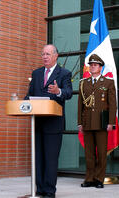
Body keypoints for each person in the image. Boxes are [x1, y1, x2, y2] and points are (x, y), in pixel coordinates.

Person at [24, 44, 73, 198]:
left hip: (53, 124)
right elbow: (29, 95)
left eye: (48, 54)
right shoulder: (36, 73)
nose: (44, 57)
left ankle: (50, 192)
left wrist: (58, 91)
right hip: (37, 123)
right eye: (43, 54)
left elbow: (69, 92)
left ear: (55, 56)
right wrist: (23, 103)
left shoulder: (64, 73)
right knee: (38, 159)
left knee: (50, 160)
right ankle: (39, 190)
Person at [78, 54, 116, 189]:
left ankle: (99, 179)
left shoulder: (108, 82)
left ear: (100, 67)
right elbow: (80, 105)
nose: (93, 66)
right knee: (89, 154)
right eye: (91, 65)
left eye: (95, 65)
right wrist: (80, 123)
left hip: (102, 122)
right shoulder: (83, 83)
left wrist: (111, 123)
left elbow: (112, 105)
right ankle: (89, 178)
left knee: (101, 153)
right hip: (87, 122)